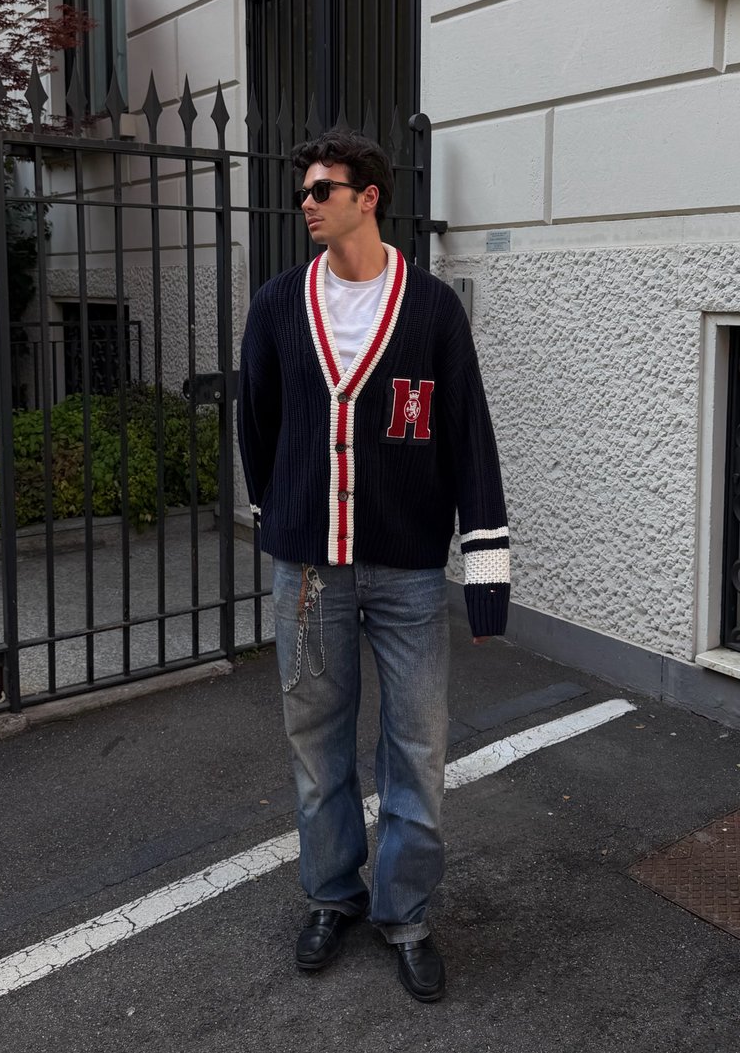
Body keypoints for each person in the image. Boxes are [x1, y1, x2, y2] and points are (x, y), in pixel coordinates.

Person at [237, 130, 509, 1003]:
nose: (307, 201)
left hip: (408, 573)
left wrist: (488, 572)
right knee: (317, 747)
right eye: (303, 188)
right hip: (310, 573)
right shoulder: (280, 304)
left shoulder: (429, 309)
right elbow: (258, 422)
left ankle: (407, 912)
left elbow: (468, 434)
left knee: (418, 748)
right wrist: (278, 512)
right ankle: (331, 893)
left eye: (323, 187)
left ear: (369, 197)